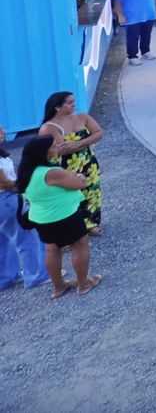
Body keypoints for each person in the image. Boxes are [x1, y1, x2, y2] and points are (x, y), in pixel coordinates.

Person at [14, 137, 99, 298]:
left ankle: (58, 287)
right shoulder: (51, 172)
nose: (58, 147)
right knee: (79, 245)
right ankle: (83, 284)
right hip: (65, 215)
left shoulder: (27, 172)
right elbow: (79, 184)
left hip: (41, 218)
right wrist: (80, 178)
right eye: (53, 146)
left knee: (52, 249)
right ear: (44, 152)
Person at [39, 91, 104, 236]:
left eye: (73, 102)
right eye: (69, 103)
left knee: (92, 191)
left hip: (88, 162)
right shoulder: (48, 128)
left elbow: (99, 132)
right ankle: (74, 228)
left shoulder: (82, 117)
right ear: (57, 107)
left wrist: (78, 143)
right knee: (70, 196)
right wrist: (83, 143)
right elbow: (58, 150)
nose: (74, 105)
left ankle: (91, 223)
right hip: (65, 166)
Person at [0, 126, 48, 290]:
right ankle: (36, 275)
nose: (3, 132)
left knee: (3, 240)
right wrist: (25, 186)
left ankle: (6, 277)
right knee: (26, 238)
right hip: (6, 199)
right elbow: (4, 183)